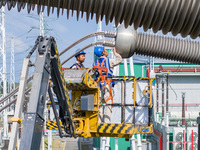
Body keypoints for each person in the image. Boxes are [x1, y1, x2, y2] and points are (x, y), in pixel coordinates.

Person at [93, 46, 122, 123]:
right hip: (107, 84)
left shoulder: (95, 63)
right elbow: (119, 60)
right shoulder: (109, 61)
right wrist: (115, 53)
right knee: (108, 102)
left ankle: (98, 121)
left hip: (98, 86)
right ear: (103, 52)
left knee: (99, 103)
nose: (106, 51)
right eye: (105, 50)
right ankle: (106, 121)